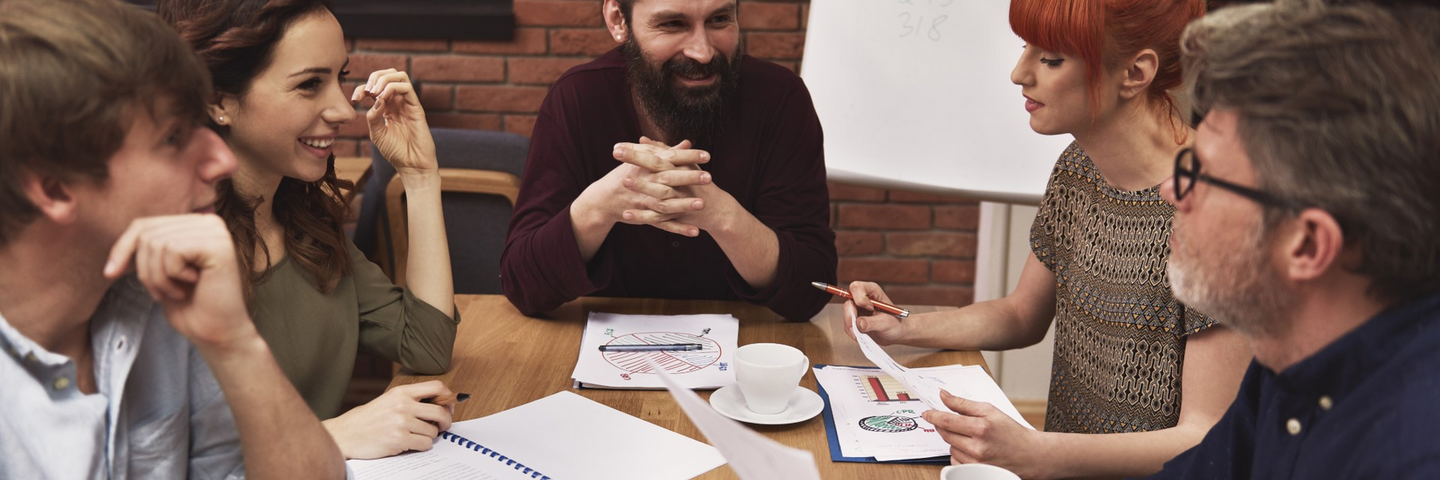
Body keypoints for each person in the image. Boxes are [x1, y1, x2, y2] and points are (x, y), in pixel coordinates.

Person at [844, 0, 1253, 477]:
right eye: (1025, 49)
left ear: (1135, 72)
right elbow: (1021, 314)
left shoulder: (1217, 208)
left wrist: (1036, 453)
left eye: (1051, 59)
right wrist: (903, 327)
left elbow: (1205, 436)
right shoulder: (1078, 168)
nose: (1019, 73)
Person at [0, 0, 344, 477]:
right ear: (55, 188)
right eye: (173, 138)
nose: (221, 162)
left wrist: (236, 344)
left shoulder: (160, 296)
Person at [1144, 2, 1440, 478]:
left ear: (1306, 246)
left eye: (1202, 173)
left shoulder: (1411, 455)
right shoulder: (1291, 348)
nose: (1171, 191)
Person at [158, 0, 460, 460]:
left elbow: (425, 344)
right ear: (217, 100)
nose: (342, 109)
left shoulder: (304, 219)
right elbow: (162, 459)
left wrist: (420, 177)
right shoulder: (171, 254)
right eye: (309, 85)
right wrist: (330, 436)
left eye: (339, 77)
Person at [498, 0, 838, 321]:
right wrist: (598, 208)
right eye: (673, 24)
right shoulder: (575, 99)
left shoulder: (780, 98)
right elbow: (524, 287)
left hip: (748, 355)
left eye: (719, 20)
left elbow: (811, 290)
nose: (703, 53)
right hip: (604, 352)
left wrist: (722, 215)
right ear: (618, 19)